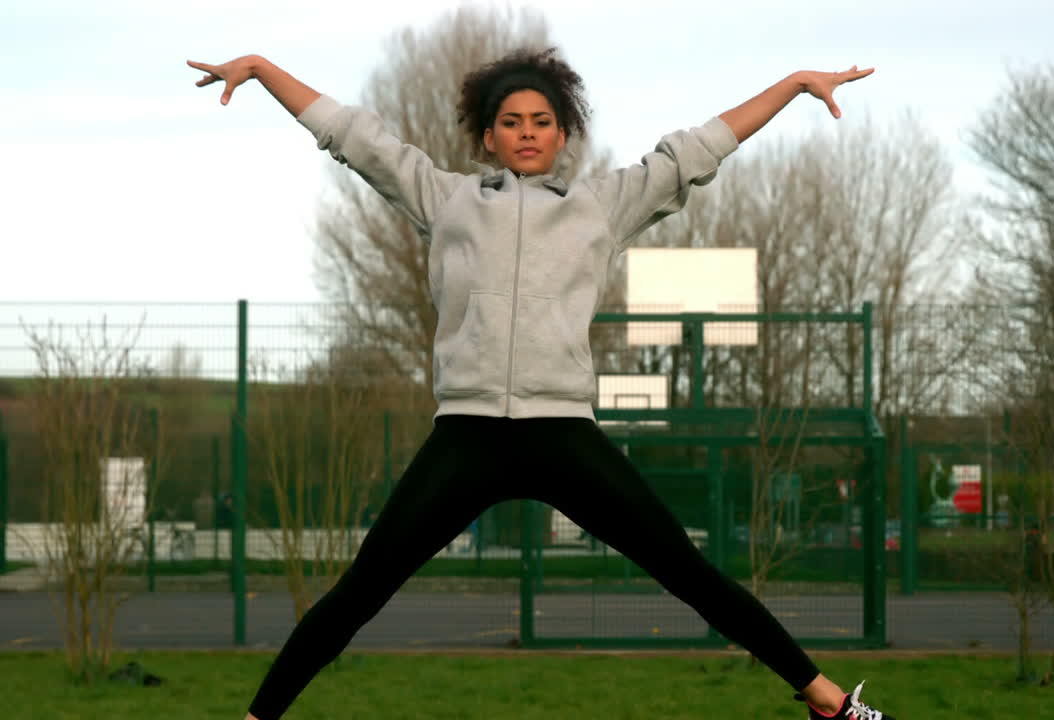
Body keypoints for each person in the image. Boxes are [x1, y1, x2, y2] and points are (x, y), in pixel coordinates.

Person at [188, 47, 888, 720]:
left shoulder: (601, 206)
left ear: (564, 135)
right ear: (488, 138)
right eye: (512, 122)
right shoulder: (447, 199)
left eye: (542, 122)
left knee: (686, 570)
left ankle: (827, 700)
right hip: (467, 436)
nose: (527, 133)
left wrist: (794, 84)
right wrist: (260, 68)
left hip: (562, 433)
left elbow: (697, 150)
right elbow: (354, 137)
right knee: (362, 589)